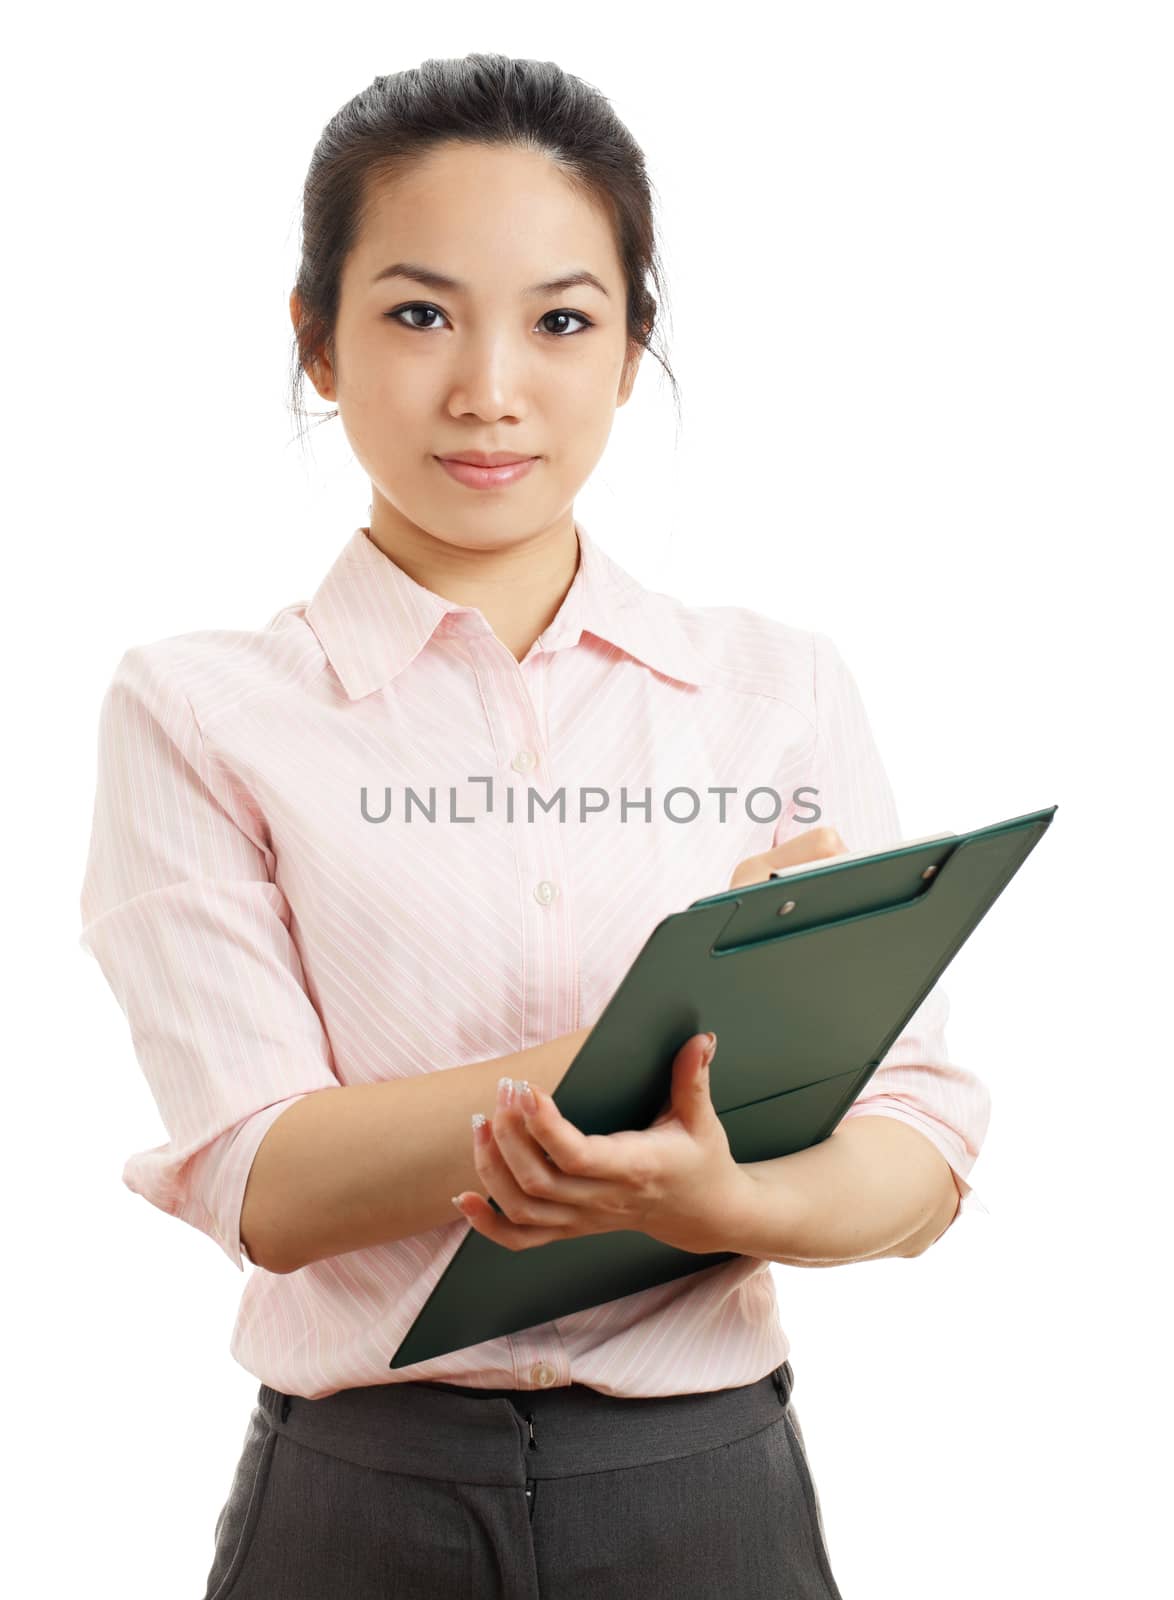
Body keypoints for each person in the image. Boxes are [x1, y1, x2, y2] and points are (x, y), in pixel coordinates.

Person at [77, 53, 990, 1600]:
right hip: (358, 1508)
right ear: (316, 337)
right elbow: (269, 1182)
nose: (490, 387)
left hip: (707, 1490)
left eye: (563, 320)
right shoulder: (195, 709)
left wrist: (736, 1201)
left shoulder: (772, 689)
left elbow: (921, 1138)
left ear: (632, 350)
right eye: (419, 312)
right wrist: (681, 1047)